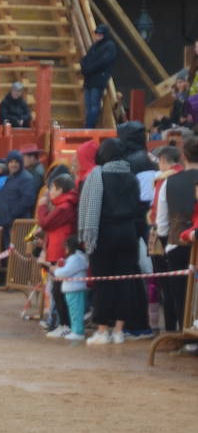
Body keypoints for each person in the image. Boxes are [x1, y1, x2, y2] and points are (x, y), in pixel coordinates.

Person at [80, 138, 147, 344]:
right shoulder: (132, 177)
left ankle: (102, 330)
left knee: (103, 283)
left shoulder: (97, 175)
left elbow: (89, 209)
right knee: (124, 282)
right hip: (127, 234)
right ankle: (119, 330)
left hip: (103, 234)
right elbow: (138, 208)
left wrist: (86, 236)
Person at [156, 134, 198, 332]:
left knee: (181, 295)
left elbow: (161, 223)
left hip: (177, 245)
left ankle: (186, 335)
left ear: (184, 155)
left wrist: (167, 243)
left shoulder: (168, 182)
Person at [39, 173, 79, 336]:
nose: (50, 192)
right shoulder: (64, 205)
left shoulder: (64, 206)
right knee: (57, 290)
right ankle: (62, 323)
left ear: (60, 189)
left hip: (60, 251)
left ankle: (65, 324)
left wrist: (42, 207)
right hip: (58, 249)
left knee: (59, 290)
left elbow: (45, 222)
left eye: (52, 188)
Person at [52, 235, 89, 341]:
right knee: (74, 311)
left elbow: (65, 272)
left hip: (74, 289)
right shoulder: (77, 258)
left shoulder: (75, 258)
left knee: (76, 311)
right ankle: (76, 330)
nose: (65, 249)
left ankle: (78, 331)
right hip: (73, 289)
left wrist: (55, 271)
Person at [80, 25, 117, 130]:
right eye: (97, 34)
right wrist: (85, 68)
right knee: (89, 106)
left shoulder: (109, 46)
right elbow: (85, 59)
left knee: (93, 106)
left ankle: (89, 127)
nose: (98, 36)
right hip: (90, 80)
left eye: (100, 34)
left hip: (98, 80)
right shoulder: (95, 47)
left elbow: (104, 61)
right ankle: (88, 126)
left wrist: (88, 68)